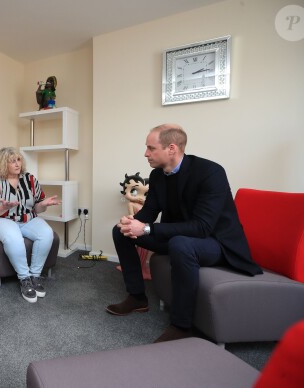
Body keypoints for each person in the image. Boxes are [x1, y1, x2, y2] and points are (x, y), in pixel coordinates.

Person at [107, 124, 262, 343]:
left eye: (151, 148)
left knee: (181, 244)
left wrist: (148, 228)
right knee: (120, 232)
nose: (146, 153)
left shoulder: (210, 172)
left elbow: (202, 227)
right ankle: (137, 297)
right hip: (178, 237)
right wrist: (133, 222)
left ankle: (182, 326)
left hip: (216, 243)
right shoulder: (158, 175)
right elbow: (150, 211)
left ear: (172, 148)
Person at [0, 147, 61, 303]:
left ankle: (35, 276)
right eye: (12, 161)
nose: (17, 164)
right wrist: (3, 207)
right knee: (13, 235)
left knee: (46, 233)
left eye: (18, 159)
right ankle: (24, 279)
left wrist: (43, 204)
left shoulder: (30, 179)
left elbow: (37, 208)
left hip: (25, 218)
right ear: (3, 164)